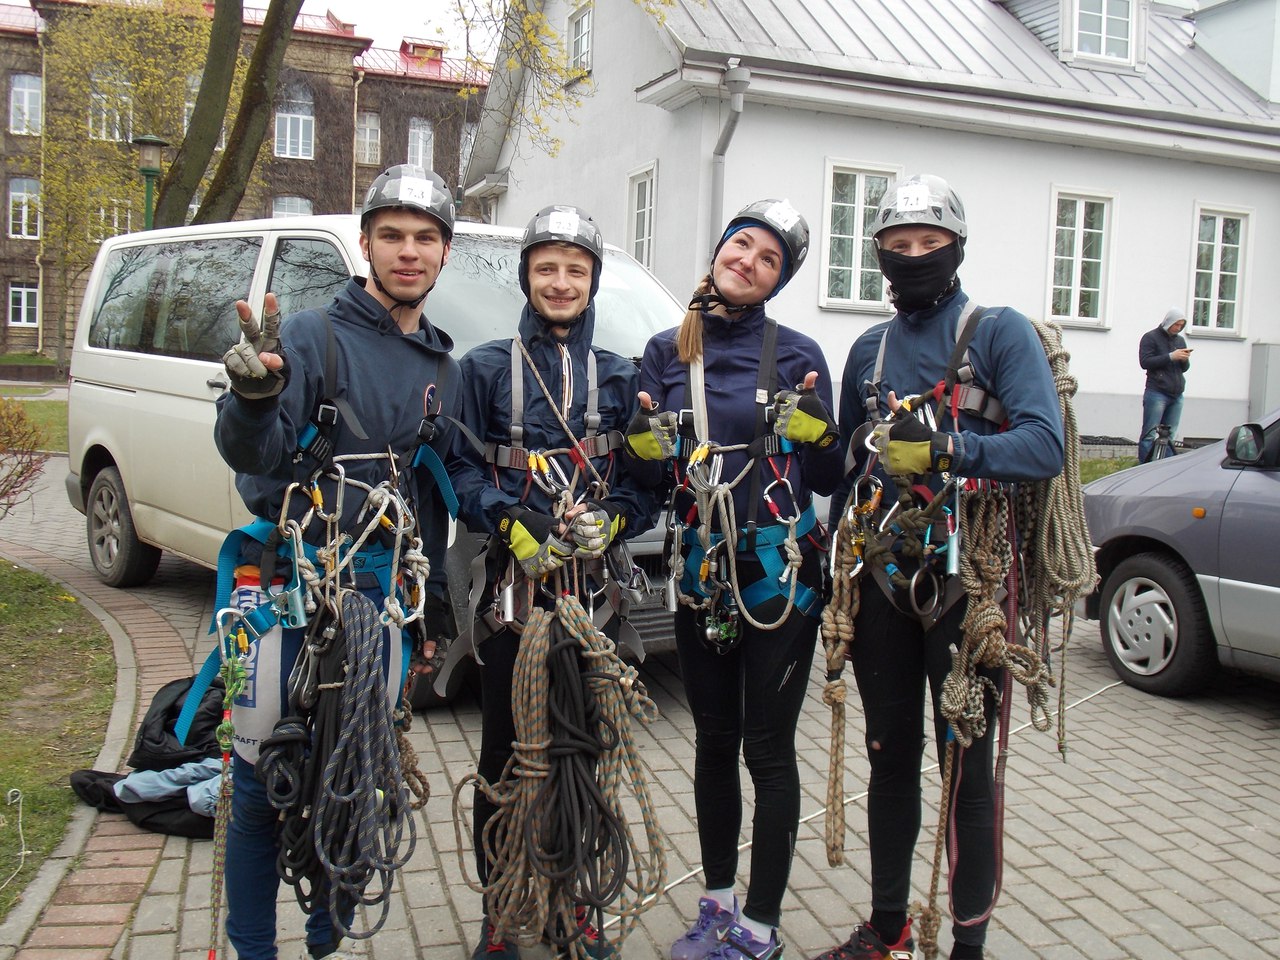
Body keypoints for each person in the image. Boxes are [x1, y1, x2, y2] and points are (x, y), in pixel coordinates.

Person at [213, 163, 461, 960]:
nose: (408, 252)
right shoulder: (312, 336)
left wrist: (435, 613)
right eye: (392, 235)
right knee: (259, 782)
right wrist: (251, 403)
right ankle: (253, 949)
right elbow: (255, 458)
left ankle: (328, 935)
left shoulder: (440, 370)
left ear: (445, 254)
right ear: (365, 244)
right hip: (289, 593)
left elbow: (428, 496)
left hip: (383, 602)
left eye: (425, 238)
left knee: (361, 776)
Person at [813, 174, 1063, 960]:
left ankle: (966, 947)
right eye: (898, 246)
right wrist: (810, 436)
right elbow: (845, 471)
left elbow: (1045, 445)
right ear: (880, 254)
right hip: (884, 581)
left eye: (929, 245)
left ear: (956, 250)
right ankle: (889, 926)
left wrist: (953, 447)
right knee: (889, 757)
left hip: (968, 586)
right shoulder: (868, 349)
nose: (913, 257)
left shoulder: (998, 333)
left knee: (968, 770)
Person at [629, 199, 843, 960]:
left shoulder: (796, 353)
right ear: (720, 248)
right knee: (713, 742)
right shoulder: (664, 351)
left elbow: (825, 474)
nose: (747, 262)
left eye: (767, 260)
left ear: (776, 283)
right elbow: (649, 477)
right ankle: (715, 902)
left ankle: (760, 924)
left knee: (767, 748)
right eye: (741, 245)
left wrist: (819, 429)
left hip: (778, 575)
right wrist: (643, 446)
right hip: (701, 573)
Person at [449, 204, 658, 960]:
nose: (561, 282)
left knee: (583, 752)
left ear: (593, 280)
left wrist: (623, 520)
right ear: (527, 278)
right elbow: (459, 467)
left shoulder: (624, 378)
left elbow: (646, 481)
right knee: (504, 753)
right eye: (547, 268)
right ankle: (503, 913)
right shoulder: (482, 370)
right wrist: (507, 518)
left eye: (575, 269)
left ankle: (573, 905)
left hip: (593, 602)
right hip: (513, 601)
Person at [1138, 307, 1191, 462]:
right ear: (1169, 323)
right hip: (1157, 392)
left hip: (1177, 393)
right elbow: (1145, 362)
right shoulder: (1150, 338)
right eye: (1176, 325)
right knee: (1149, 433)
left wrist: (1184, 359)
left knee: (1170, 435)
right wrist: (1170, 356)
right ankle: (1145, 467)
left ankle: (1166, 469)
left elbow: (1184, 369)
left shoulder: (1180, 340)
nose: (1178, 328)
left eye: (1181, 325)